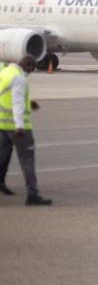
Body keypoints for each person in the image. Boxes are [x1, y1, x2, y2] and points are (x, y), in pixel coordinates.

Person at [0, 56, 52, 205]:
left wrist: (28, 103)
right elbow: (16, 101)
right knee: (27, 160)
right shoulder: (19, 78)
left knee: (2, 157)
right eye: (32, 69)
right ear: (28, 66)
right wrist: (20, 126)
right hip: (16, 127)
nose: (31, 72)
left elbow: (5, 96)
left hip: (2, 125)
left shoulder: (4, 73)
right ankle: (32, 194)